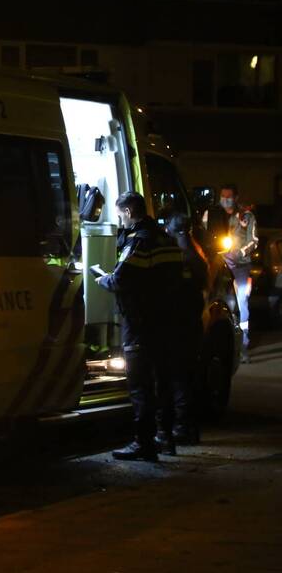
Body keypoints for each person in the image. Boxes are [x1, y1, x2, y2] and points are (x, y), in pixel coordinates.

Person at [96, 192, 185, 462]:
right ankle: (165, 438)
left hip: (140, 322)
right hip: (167, 321)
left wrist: (101, 279)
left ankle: (143, 443)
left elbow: (120, 279)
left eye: (120, 215)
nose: (120, 220)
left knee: (140, 385)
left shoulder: (140, 242)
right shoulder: (166, 239)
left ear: (129, 211)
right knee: (162, 381)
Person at [159, 213, 208, 451]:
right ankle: (190, 428)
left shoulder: (177, 257)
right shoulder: (197, 255)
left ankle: (181, 427)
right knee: (187, 377)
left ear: (170, 230)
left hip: (177, 326)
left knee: (176, 379)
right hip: (192, 325)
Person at [219, 184, 258, 361]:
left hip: (241, 265)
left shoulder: (246, 216)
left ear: (236, 198)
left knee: (242, 302)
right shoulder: (213, 215)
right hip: (220, 264)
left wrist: (240, 252)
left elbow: (254, 240)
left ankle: (244, 346)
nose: (225, 200)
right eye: (223, 196)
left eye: (229, 196)